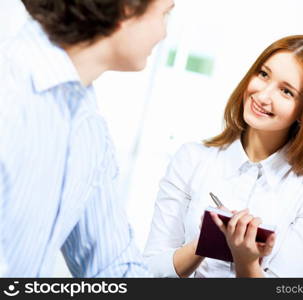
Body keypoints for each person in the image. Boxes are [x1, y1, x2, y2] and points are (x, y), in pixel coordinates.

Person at [0, 0, 174, 277]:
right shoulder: (9, 94)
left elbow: (114, 266)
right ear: (128, 7)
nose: (164, 33)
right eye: (165, 13)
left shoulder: (87, 126)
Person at [144, 35, 303, 278]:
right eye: (263, 74)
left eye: (286, 91)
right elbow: (149, 273)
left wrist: (247, 263)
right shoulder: (192, 159)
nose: (262, 96)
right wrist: (204, 243)